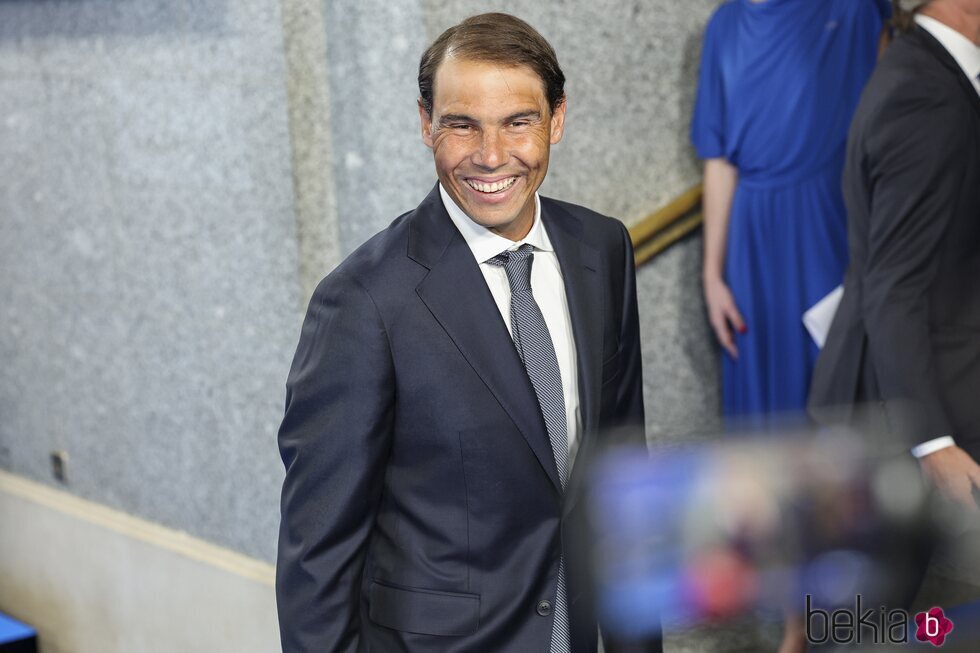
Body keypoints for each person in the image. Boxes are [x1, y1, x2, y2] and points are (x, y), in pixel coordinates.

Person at [275, 13, 649, 653]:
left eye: (518, 122)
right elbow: (318, 557)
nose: (491, 156)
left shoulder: (602, 249)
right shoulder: (362, 301)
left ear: (557, 119)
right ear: (426, 125)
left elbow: (623, 477)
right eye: (461, 124)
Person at [809, 0, 980, 606]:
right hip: (901, 408)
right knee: (867, 616)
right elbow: (895, 282)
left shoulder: (936, 76)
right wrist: (932, 442)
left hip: (915, 392)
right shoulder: (926, 94)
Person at [691, 0, 890, 427]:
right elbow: (720, 161)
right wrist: (712, 277)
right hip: (752, 235)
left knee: (836, 388)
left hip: (830, 219)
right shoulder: (724, 24)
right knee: (764, 403)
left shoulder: (852, 9)